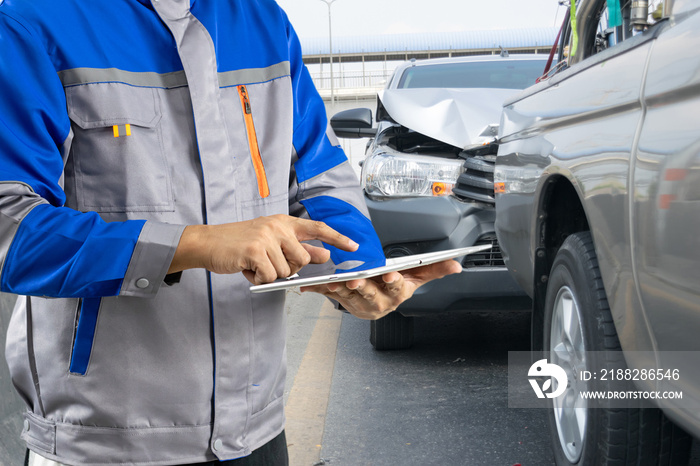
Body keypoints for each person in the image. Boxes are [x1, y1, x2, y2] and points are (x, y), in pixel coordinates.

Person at [0, 0, 460, 465]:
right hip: (106, 441)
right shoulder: (35, 23)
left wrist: (355, 273)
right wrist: (191, 244)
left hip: (258, 432)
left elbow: (319, 179)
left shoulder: (263, 21)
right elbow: (8, 222)